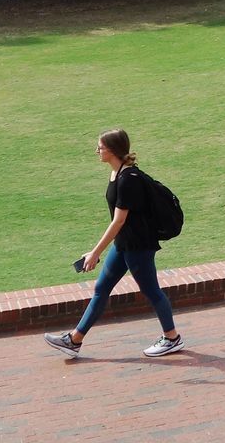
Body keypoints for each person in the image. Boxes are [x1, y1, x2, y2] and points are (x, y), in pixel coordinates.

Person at [44, 128, 184, 359]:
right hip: (124, 244)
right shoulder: (117, 174)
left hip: (138, 245)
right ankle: (74, 340)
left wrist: (95, 252)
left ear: (112, 150)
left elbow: (119, 221)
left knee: (151, 291)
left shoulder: (128, 180)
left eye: (100, 147)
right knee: (102, 288)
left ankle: (172, 338)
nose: (97, 151)